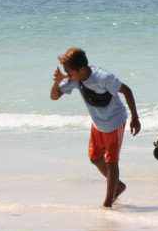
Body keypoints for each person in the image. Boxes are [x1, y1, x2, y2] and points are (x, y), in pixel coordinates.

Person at [50, 47, 141, 208]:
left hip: (115, 122)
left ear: (82, 69)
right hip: (98, 124)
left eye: (70, 74)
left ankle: (107, 203)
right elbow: (55, 96)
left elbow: (127, 91)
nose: (68, 77)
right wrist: (58, 82)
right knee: (95, 158)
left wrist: (135, 118)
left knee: (111, 161)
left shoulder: (104, 77)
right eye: (67, 74)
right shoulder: (76, 80)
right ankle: (118, 186)